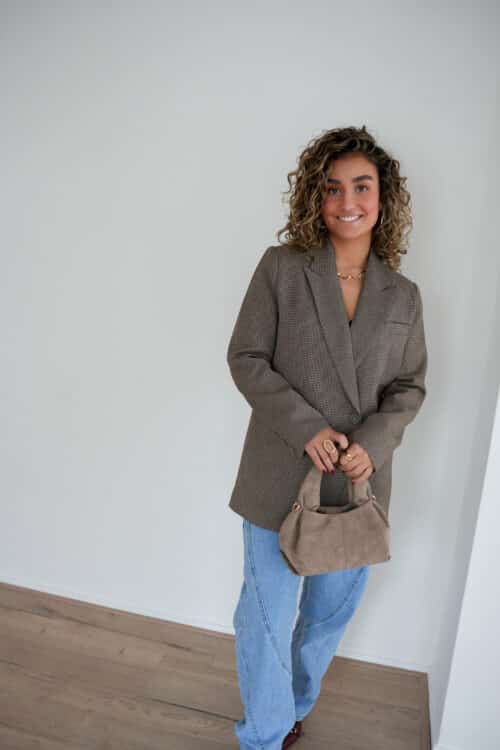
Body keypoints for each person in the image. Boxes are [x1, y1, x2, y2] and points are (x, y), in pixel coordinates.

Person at [226, 125, 428, 749]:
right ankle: (263, 736)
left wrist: (376, 442)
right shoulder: (282, 268)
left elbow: (410, 387)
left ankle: (292, 708)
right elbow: (246, 358)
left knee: (327, 616)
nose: (348, 201)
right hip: (279, 473)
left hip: (357, 486)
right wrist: (306, 427)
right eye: (333, 187)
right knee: (264, 617)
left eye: (361, 186)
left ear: (383, 198)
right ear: (315, 196)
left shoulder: (404, 296)